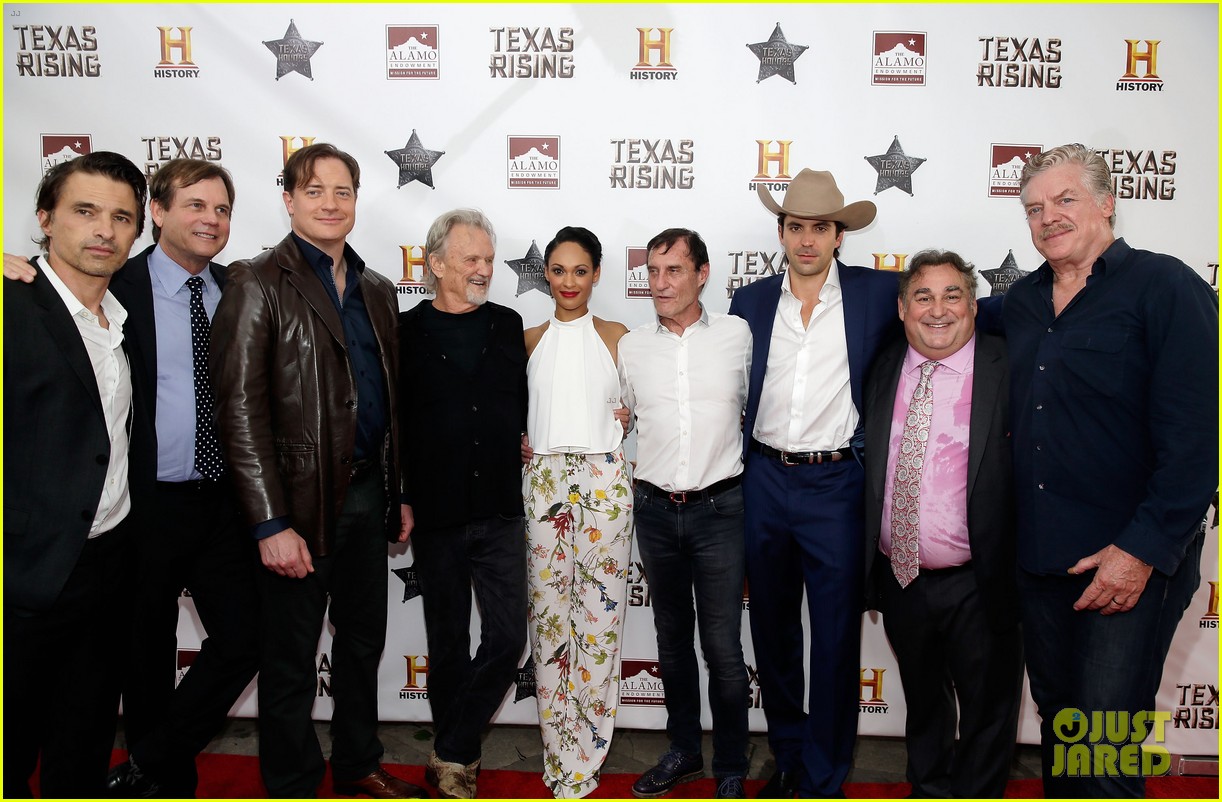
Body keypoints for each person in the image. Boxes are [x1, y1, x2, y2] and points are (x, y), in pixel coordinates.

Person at [1004, 143, 1218, 797]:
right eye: (1035, 208)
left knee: (1103, 749)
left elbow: (1198, 441)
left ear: (1107, 202)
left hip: (1129, 565)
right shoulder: (1019, 304)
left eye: (1065, 199)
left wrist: (1141, 553)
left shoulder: (1166, 286)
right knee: (1064, 735)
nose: (1049, 217)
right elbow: (939, 327)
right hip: (1040, 566)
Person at [210, 143, 422, 798]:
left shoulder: (379, 289)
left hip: (367, 497)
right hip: (295, 507)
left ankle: (358, 763)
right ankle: (294, 782)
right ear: (288, 199)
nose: (330, 203)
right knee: (291, 662)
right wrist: (271, 522)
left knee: (362, 647)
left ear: (357, 201)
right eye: (314, 191)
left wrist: (400, 492)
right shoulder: (256, 281)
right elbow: (239, 411)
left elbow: (392, 403)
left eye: (343, 191)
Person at [728, 168, 901, 798]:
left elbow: (959, 309)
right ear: (781, 231)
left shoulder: (879, 295)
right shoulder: (747, 302)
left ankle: (826, 775)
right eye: (796, 226)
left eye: (820, 228)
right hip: (765, 481)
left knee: (833, 638)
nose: (807, 239)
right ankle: (789, 756)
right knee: (772, 632)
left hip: (837, 487)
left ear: (838, 236)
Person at [3, 151, 150, 797]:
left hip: (107, 569)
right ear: (45, 218)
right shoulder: (11, 306)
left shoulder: (123, 321)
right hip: (23, 576)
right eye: (85, 211)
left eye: (122, 217)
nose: (105, 230)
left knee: (83, 740)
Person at [862, 250, 1022, 797]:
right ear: (902, 308)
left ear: (974, 306)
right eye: (923, 297)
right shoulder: (882, 365)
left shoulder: (1010, 365)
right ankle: (929, 788)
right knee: (923, 702)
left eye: (952, 294)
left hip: (981, 578)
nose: (938, 310)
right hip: (901, 574)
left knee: (988, 708)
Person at [398, 209, 529, 800]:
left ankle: (451, 748)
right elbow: (390, 425)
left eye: (488, 259)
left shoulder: (508, 324)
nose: (483, 270)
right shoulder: (402, 331)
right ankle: (457, 767)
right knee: (447, 644)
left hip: (500, 508)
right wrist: (398, 494)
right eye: (470, 259)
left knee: (507, 638)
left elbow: (530, 398)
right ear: (436, 264)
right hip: (434, 512)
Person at [618, 228, 753, 800]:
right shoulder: (631, 347)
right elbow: (617, 419)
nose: (661, 282)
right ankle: (683, 751)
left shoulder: (738, 335)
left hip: (721, 509)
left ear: (702, 275)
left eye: (674, 270)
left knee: (722, 645)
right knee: (670, 639)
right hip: (653, 509)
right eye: (652, 271)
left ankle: (731, 762)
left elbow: (758, 408)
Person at [522, 226, 633, 799]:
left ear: (596, 275)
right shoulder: (529, 338)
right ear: (547, 273)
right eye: (559, 270)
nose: (569, 281)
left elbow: (640, 409)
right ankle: (556, 749)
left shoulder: (618, 336)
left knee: (598, 627)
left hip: (605, 483)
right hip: (543, 481)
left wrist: (628, 421)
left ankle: (586, 756)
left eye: (581, 271)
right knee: (548, 625)